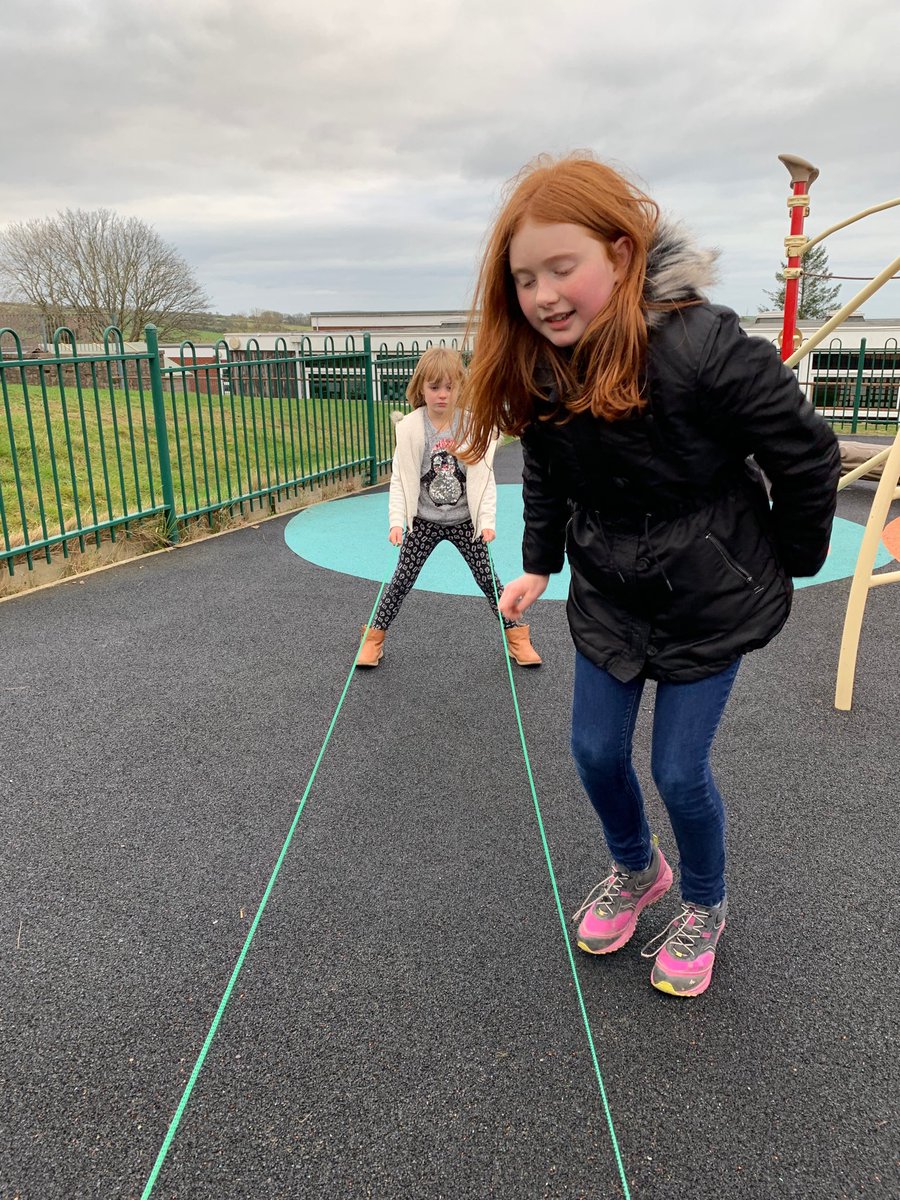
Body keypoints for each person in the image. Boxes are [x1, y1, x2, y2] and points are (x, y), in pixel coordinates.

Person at [460, 154, 840, 997]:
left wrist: (788, 557)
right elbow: (552, 473)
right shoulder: (544, 365)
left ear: (623, 255)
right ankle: (639, 871)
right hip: (611, 588)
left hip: (708, 594)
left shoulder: (703, 345)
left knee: (678, 772)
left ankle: (705, 901)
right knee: (594, 752)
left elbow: (807, 455)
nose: (545, 294)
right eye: (525, 278)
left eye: (564, 268)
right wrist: (538, 563)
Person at [356, 345, 541, 669]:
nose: (442, 395)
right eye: (434, 387)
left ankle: (517, 637)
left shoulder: (471, 426)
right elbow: (400, 480)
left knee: (489, 581)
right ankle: (374, 638)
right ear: (420, 388)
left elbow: (484, 479)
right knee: (401, 580)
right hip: (423, 521)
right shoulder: (411, 428)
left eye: (450, 387)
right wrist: (397, 522)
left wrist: (485, 521)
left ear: (460, 387)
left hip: (464, 522)